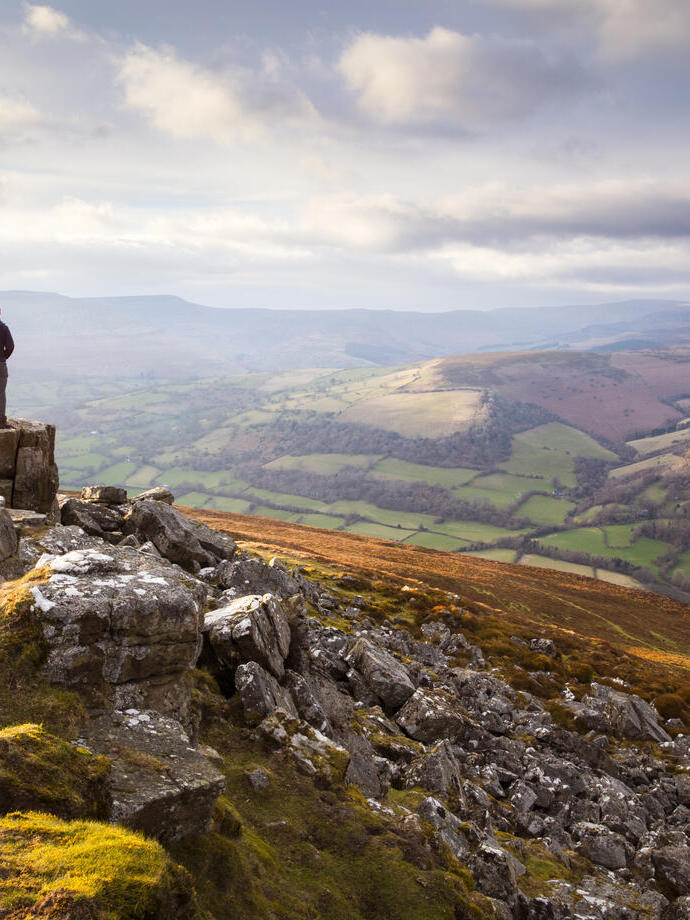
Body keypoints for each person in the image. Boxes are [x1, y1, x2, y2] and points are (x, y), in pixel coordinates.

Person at [0, 308, 14, 429]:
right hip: (0, 364)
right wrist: (3, 357)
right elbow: (10, 346)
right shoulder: (4, 328)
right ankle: (1, 421)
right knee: (1, 393)